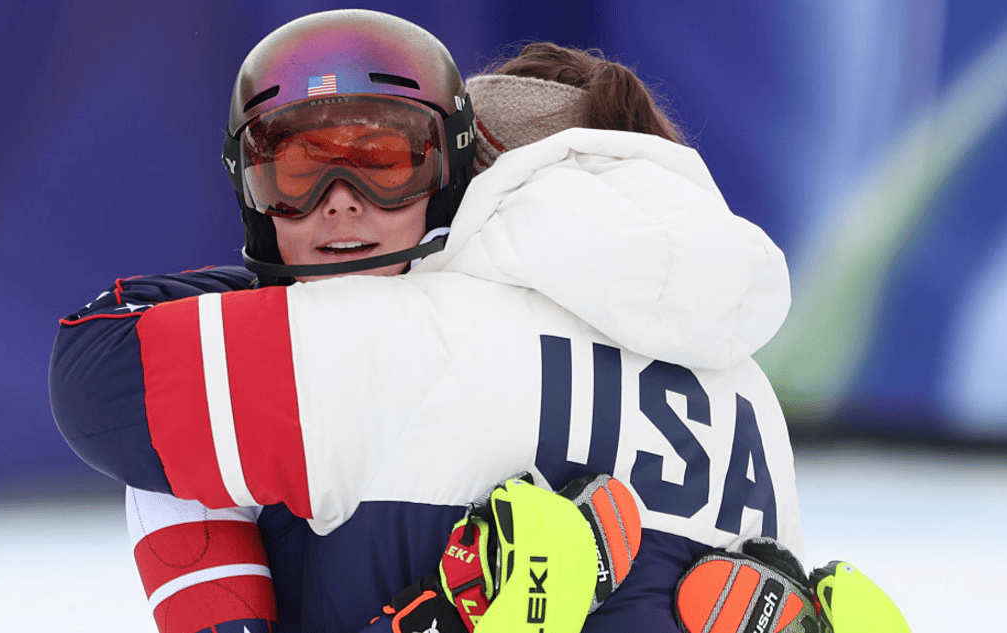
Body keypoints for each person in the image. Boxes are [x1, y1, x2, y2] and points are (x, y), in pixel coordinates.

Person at [49, 11, 802, 633]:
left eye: (385, 160)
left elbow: (99, 374)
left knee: (178, 458)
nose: (342, 201)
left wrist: (281, 286)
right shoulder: (751, 392)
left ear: (472, 178)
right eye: (307, 168)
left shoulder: (408, 331)